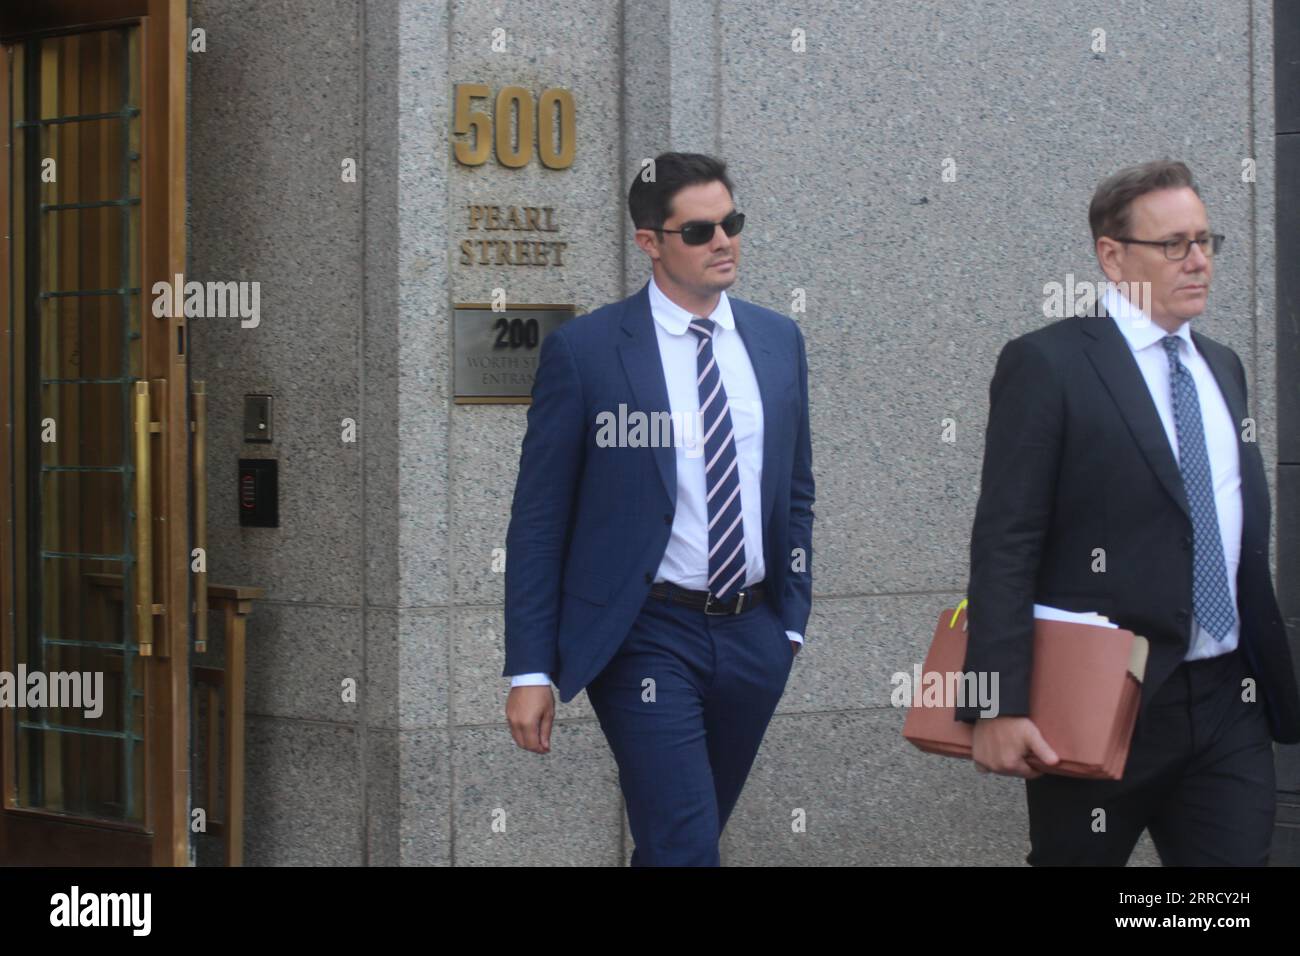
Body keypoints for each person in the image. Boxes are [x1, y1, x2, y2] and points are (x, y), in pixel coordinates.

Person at [959, 159, 1300, 865]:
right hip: (1102, 698)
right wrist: (996, 702)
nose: (1199, 261)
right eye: (1173, 244)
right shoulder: (1048, 365)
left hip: (1228, 697)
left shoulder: (1222, 366)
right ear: (1112, 257)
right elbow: (1006, 541)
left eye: (1206, 240)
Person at [502, 151, 814, 865]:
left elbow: (795, 490)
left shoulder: (776, 340)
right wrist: (529, 669)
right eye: (700, 231)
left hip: (754, 636)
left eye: (731, 222)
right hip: (645, 634)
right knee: (683, 844)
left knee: (679, 842)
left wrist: (790, 622)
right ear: (650, 242)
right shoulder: (587, 352)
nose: (724, 241)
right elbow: (539, 518)